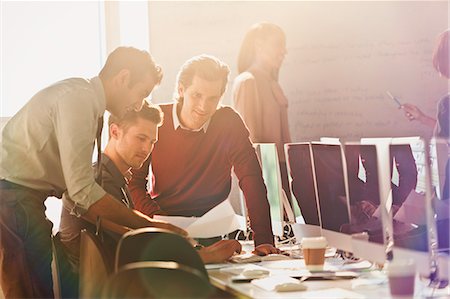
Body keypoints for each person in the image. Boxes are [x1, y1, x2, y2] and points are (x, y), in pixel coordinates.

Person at [0, 47, 185, 298]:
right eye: (141, 93)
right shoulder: (79, 99)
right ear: (122, 78)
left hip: (20, 197)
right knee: (31, 292)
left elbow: (79, 193)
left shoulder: (88, 101)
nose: (139, 104)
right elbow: (83, 191)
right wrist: (146, 225)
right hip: (13, 197)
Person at [129, 54, 280, 255]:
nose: (203, 107)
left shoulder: (228, 122)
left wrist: (263, 239)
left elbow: (251, 178)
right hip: (163, 228)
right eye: (197, 95)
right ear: (181, 90)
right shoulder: (157, 120)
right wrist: (159, 220)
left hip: (214, 232)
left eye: (212, 99)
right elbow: (133, 182)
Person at [60, 103, 241, 268]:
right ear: (114, 132)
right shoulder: (101, 182)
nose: (147, 149)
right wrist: (204, 255)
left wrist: (202, 252)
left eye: (152, 142)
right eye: (140, 138)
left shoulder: (116, 179)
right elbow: (130, 246)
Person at [232, 22, 292, 200]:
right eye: (278, 44)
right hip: (267, 176)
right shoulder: (248, 82)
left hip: (285, 173)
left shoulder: (274, 84)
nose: (284, 51)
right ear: (258, 45)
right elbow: (250, 143)